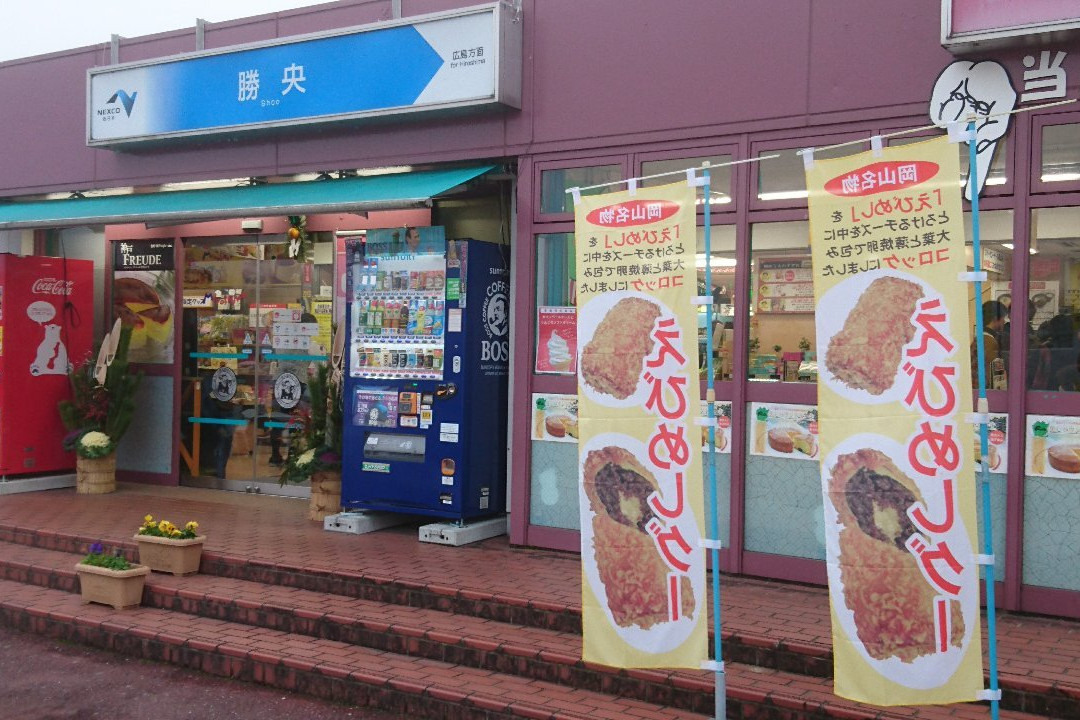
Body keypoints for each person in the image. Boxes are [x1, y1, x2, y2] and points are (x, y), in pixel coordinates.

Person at [972, 300, 1007, 389]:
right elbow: (996, 376)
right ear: (995, 319)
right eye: (1003, 318)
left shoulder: (979, 338)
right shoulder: (990, 341)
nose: (1004, 321)